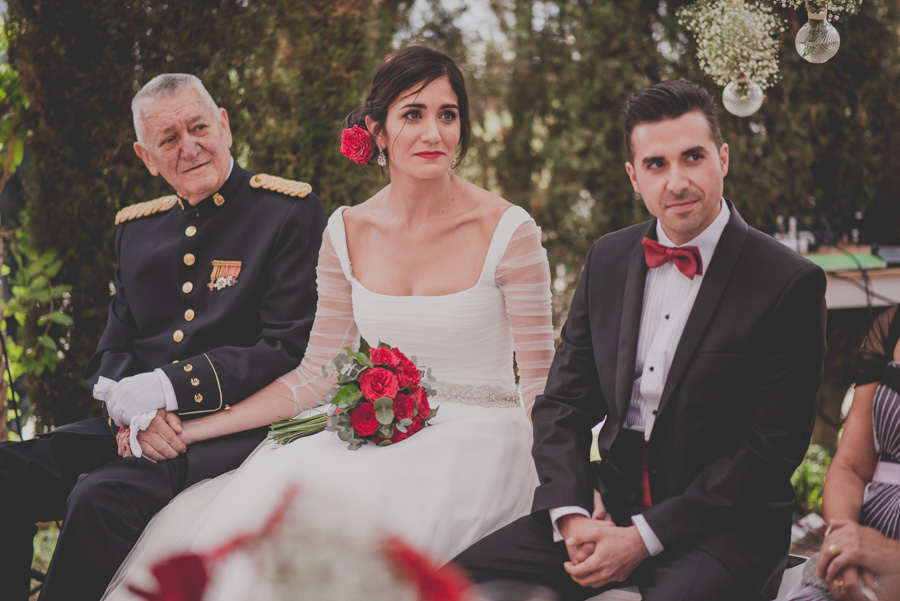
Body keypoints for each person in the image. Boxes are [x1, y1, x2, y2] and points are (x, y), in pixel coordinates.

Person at [99, 45, 555, 599]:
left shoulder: (509, 231)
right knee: (266, 529)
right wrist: (191, 429)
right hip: (376, 433)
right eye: (413, 114)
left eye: (447, 114)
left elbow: (541, 386)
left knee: (373, 547)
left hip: (484, 441)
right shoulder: (346, 230)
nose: (433, 132)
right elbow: (314, 375)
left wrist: (567, 491)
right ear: (378, 131)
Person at [453, 79, 828, 601]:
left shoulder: (788, 282)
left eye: (692, 157)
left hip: (724, 529)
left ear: (723, 158)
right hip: (609, 506)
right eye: (656, 164)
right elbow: (562, 403)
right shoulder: (608, 258)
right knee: (448, 586)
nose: (677, 181)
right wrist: (572, 516)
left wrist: (642, 541)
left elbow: (768, 453)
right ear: (634, 177)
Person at [0, 73, 326, 601]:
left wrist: (168, 391)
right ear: (145, 156)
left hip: (230, 432)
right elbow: (112, 353)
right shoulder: (137, 231)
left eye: (199, 127)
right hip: (136, 429)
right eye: (168, 139)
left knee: (97, 498)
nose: (189, 147)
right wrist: (135, 413)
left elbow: (287, 344)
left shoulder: (287, 212)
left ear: (224, 125)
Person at [787, 305, 900, 601]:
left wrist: (891, 555)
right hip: (863, 547)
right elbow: (850, 467)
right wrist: (844, 541)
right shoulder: (892, 326)